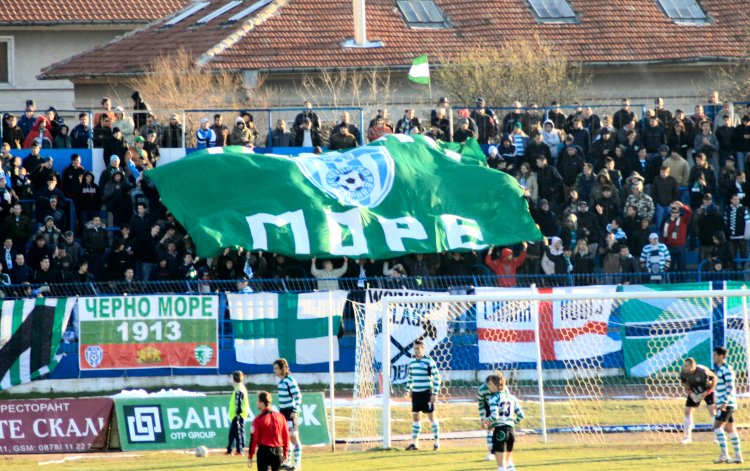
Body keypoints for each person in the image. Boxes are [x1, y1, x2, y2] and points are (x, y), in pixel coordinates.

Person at [405, 339, 441, 451]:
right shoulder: (411, 362)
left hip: (427, 393)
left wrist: (434, 393)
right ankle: (415, 443)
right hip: (416, 394)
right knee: (415, 417)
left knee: (431, 417)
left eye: (418, 348)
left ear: (423, 349)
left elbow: (437, 378)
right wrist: (407, 390)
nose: (416, 350)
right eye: (415, 348)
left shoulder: (429, 361)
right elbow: (410, 377)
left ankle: (436, 443)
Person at [483, 372, 524, 471]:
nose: (488, 386)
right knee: (508, 461)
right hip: (511, 432)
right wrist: (513, 423)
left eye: (490, 384)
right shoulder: (512, 398)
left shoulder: (493, 399)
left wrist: (486, 421)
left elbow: (494, 416)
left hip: (500, 431)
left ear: (497, 385)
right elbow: (521, 415)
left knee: (501, 465)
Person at [713, 346, 743, 464]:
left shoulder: (726, 369)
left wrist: (724, 401)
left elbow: (730, 387)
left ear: (721, 356)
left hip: (727, 403)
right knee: (730, 428)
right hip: (725, 402)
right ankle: (737, 456)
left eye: (715, 355)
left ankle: (724, 455)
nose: (713, 357)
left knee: (717, 427)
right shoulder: (721, 369)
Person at [247, 391, 289, 471]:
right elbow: (286, 436)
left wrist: (250, 455)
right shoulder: (281, 417)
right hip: (278, 451)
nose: (256, 403)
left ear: (262, 403)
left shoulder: (258, 420)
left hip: (264, 451)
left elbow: (254, 439)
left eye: (257, 401)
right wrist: (285, 452)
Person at [679, 357, 717, 445]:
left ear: (692, 366)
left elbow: (714, 378)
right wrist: (690, 393)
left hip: (708, 389)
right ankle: (687, 437)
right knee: (687, 411)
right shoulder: (683, 372)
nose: (684, 367)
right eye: (684, 365)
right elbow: (684, 383)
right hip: (695, 391)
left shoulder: (702, 371)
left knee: (712, 411)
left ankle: (718, 437)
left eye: (686, 366)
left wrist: (708, 392)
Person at [273, 358, 302, 471]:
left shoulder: (290, 380)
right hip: (283, 413)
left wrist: (295, 411)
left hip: (290, 412)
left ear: (282, 369)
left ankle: (297, 464)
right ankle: (287, 463)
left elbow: (298, 396)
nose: (274, 371)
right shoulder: (281, 382)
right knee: (286, 438)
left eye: (276, 368)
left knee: (293, 437)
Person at [226, 370, 250, 456]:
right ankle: (229, 450)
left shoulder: (239, 388)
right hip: (235, 415)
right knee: (232, 433)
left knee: (239, 432)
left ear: (233, 379)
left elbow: (239, 399)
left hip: (238, 414)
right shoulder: (238, 387)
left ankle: (240, 450)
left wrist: (238, 410)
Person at [477, 373, 499, 461]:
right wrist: (483, 419)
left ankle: (500, 450)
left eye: (492, 384)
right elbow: (481, 405)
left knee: (501, 427)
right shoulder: (482, 390)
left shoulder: (502, 389)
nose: (491, 386)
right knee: (490, 427)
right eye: (489, 384)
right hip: (489, 406)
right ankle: (491, 452)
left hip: (500, 406)